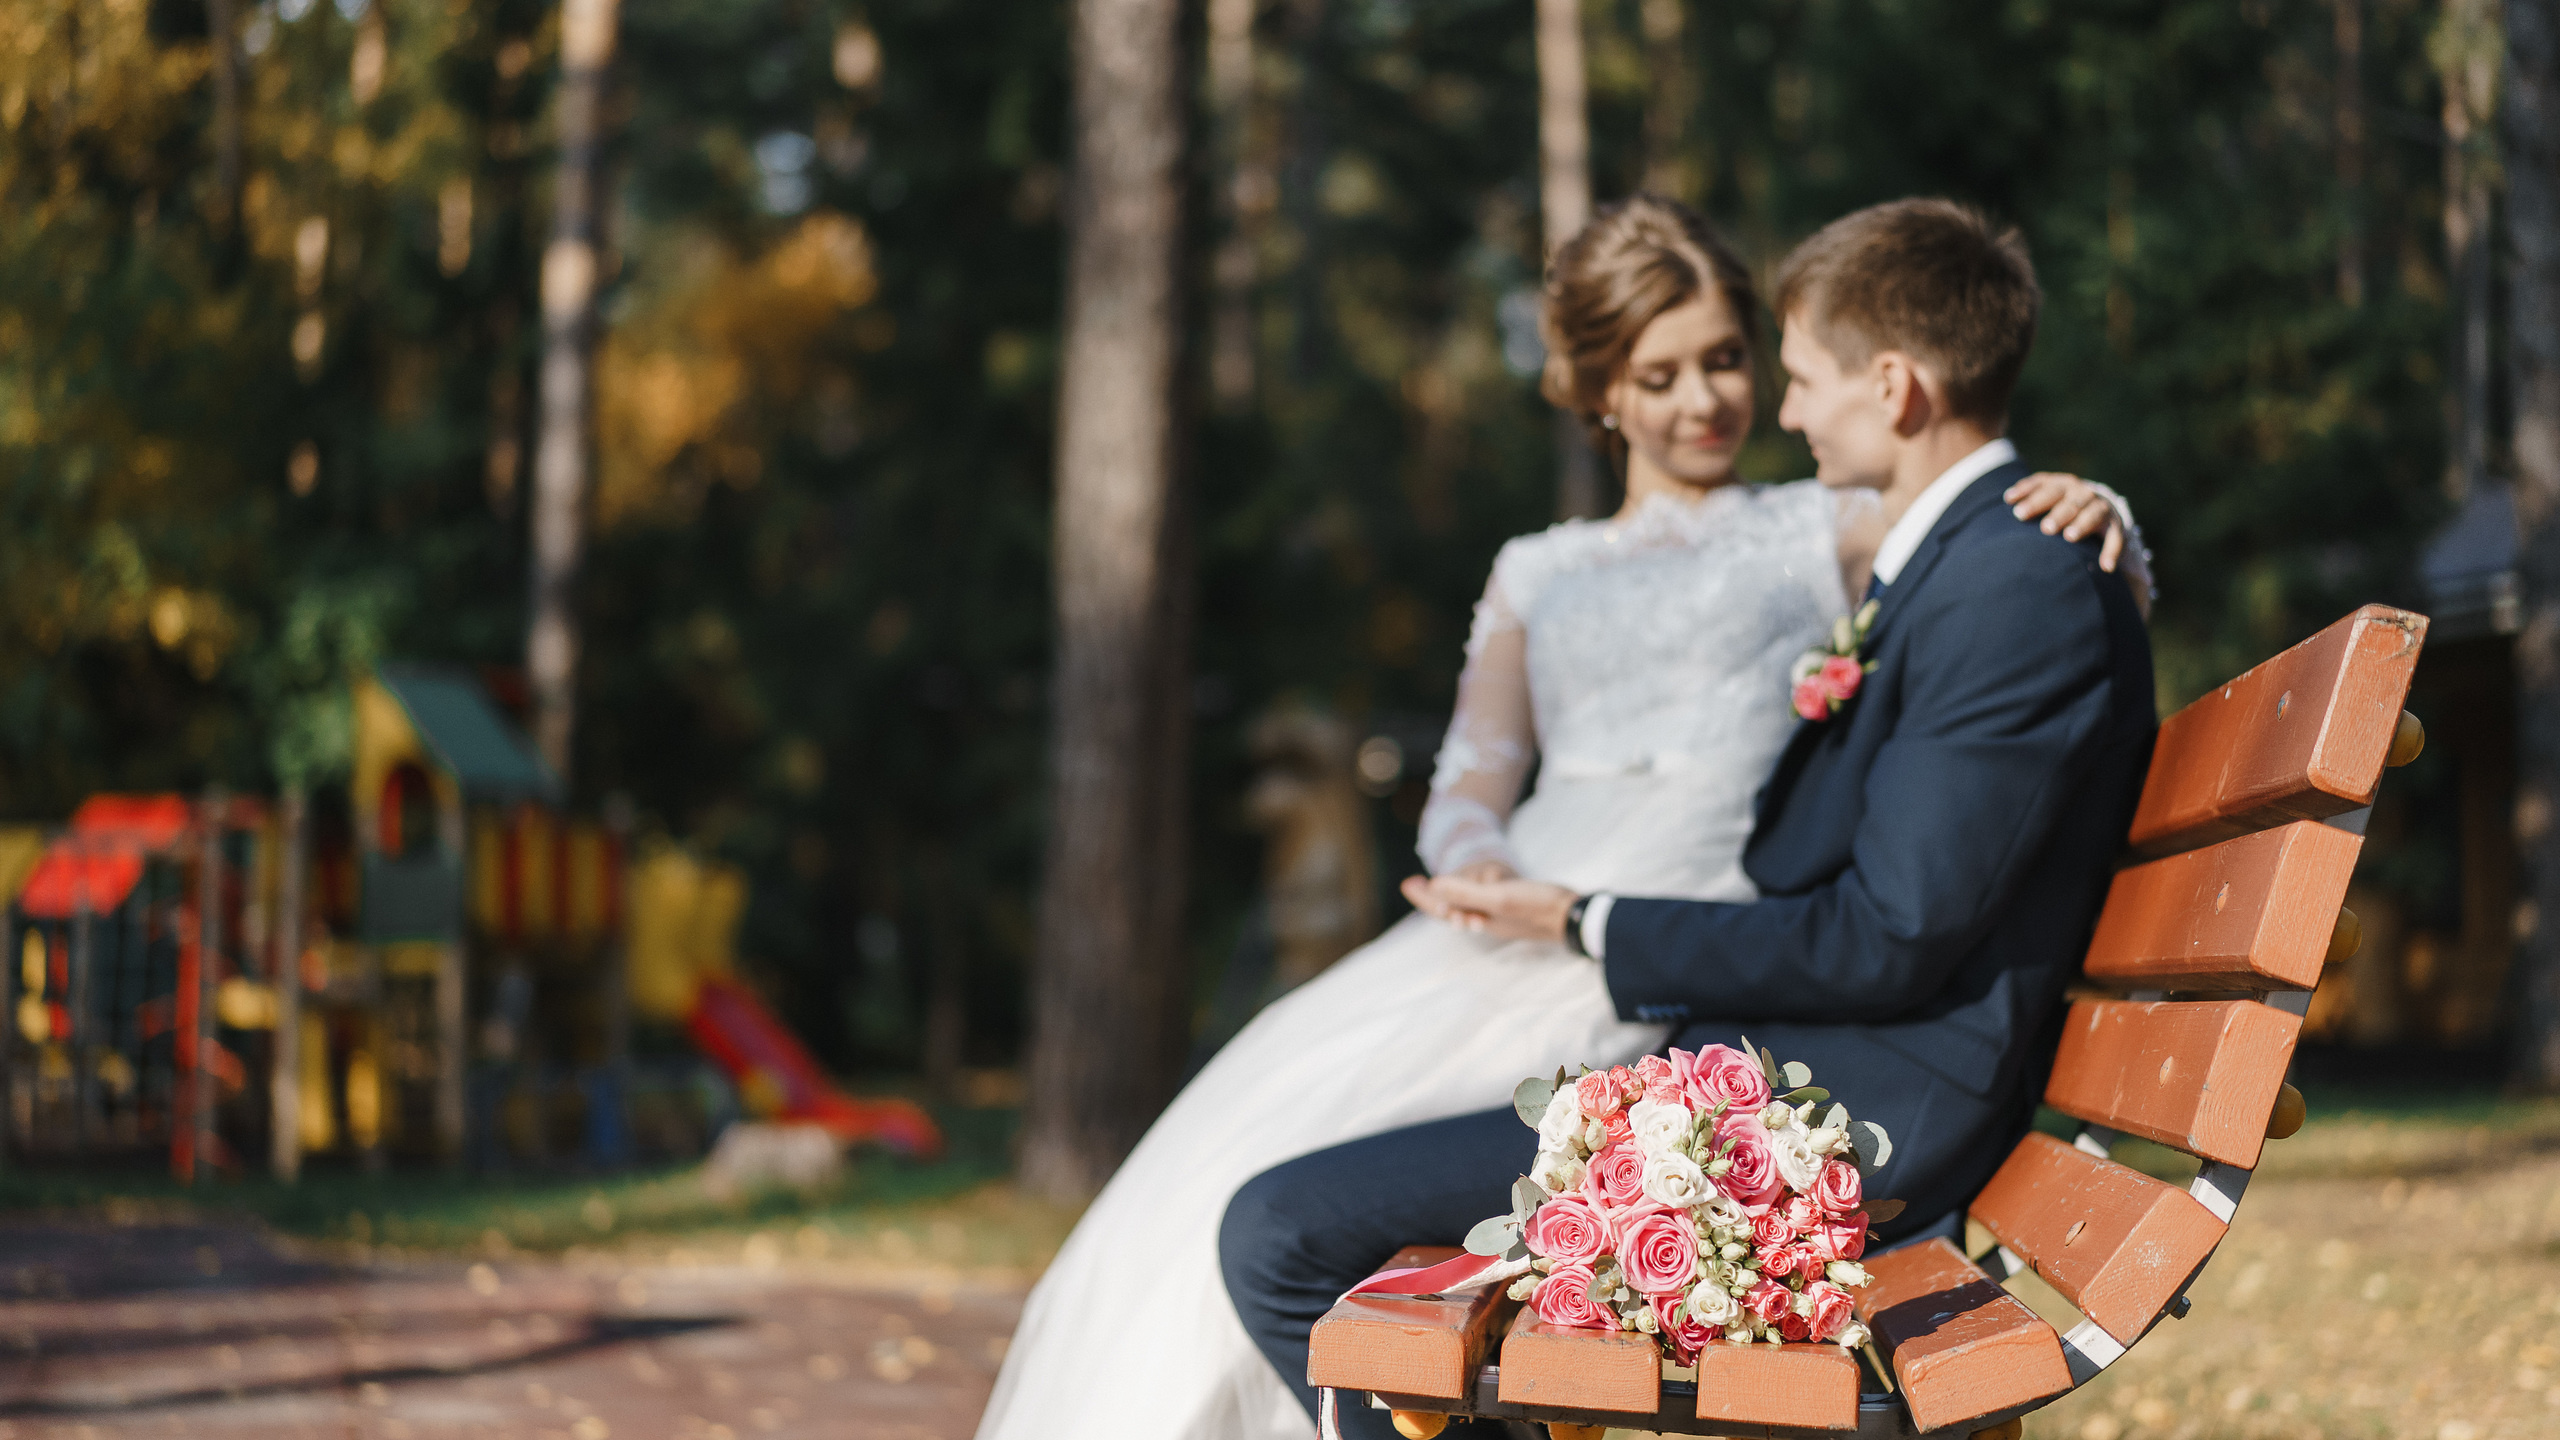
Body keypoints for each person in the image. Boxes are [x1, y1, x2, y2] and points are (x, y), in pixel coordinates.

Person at [977, 197, 2144, 1440]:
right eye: (1662, 373)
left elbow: (1988, 563)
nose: (1745, 404)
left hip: (1751, 1012)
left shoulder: (1880, 541)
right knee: (1240, 1198)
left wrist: (2103, 512)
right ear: (1600, 392)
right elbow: (1477, 781)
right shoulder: (1557, 567)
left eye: (1750, 366)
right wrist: (1491, 875)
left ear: (1888, 386)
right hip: (1632, 962)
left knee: (1282, 1228)